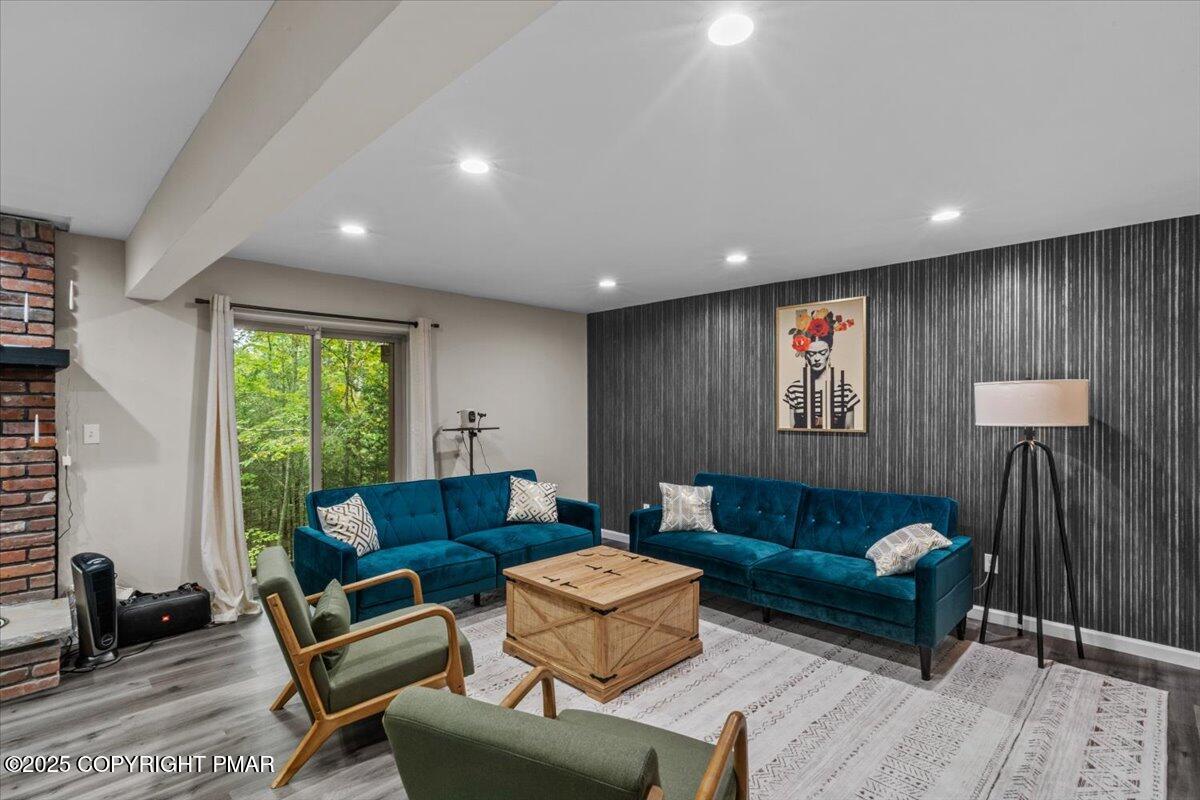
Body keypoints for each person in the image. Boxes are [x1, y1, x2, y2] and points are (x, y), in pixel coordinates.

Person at [782, 307, 860, 430]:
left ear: (829, 352)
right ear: (806, 355)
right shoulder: (794, 390)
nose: (817, 358)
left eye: (822, 352)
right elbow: (792, 428)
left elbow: (850, 429)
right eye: (812, 353)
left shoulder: (846, 390)